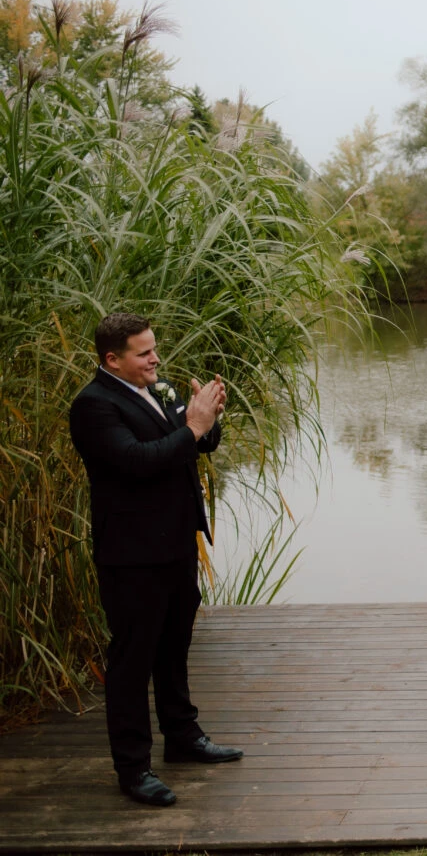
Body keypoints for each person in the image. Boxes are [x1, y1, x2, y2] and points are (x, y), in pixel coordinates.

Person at [67, 313, 244, 807]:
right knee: (132, 660)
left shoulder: (158, 389)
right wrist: (193, 425)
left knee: (173, 647)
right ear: (112, 359)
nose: (155, 358)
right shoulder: (93, 406)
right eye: (144, 352)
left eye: (154, 348)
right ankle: (133, 768)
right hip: (131, 555)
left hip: (174, 546)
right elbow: (138, 462)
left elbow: (193, 446)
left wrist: (210, 420)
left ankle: (183, 738)